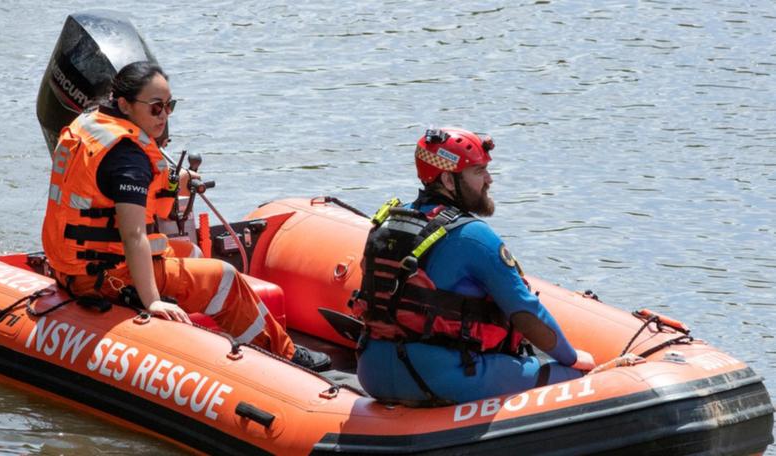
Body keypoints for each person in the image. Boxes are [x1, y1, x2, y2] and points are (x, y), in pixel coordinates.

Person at [41, 61, 329, 371]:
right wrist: (152, 300)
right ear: (124, 103)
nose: (164, 116)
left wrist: (178, 180)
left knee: (189, 251)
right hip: (106, 277)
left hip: (74, 264)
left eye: (169, 106)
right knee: (225, 279)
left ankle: (186, 336)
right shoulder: (127, 156)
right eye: (155, 107)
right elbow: (133, 234)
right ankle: (283, 356)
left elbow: (110, 187)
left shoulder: (92, 124)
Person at [352, 127, 595, 405]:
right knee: (574, 377)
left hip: (372, 375)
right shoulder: (474, 235)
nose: (489, 180)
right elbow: (526, 313)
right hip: (442, 379)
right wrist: (572, 358)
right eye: (479, 172)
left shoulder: (387, 221)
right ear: (448, 179)